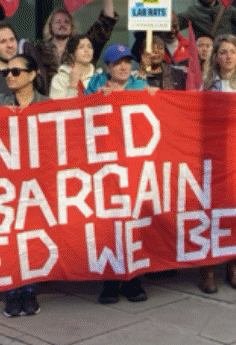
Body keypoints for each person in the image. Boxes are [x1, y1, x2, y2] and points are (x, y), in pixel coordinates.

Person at [84, 44, 151, 303]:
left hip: (134, 164)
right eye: (117, 62)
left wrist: (154, 95)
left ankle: (132, 279)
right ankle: (110, 281)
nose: (123, 67)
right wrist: (96, 99)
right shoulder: (95, 86)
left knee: (132, 221)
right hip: (105, 165)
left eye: (127, 61)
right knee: (108, 223)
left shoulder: (140, 86)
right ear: (108, 67)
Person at [0, 53, 46, 317]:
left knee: (31, 237)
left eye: (16, 72)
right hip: (6, 182)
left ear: (33, 75)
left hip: (36, 184)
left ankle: (29, 290)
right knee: (10, 237)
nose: (9, 76)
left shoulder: (48, 104)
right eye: (6, 72)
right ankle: (12, 291)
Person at [197, 35, 236, 292]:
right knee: (212, 210)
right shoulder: (208, 83)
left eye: (232, 52)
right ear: (216, 57)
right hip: (214, 153)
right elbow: (198, 113)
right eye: (222, 52)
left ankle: (234, 265)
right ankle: (208, 269)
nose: (228, 56)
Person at [38, 0, 118, 79]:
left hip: (80, 94)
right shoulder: (39, 51)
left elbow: (107, 21)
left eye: (67, 21)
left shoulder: (84, 46)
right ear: (50, 26)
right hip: (48, 96)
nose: (63, 24)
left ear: (72, 27)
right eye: (58, 22)